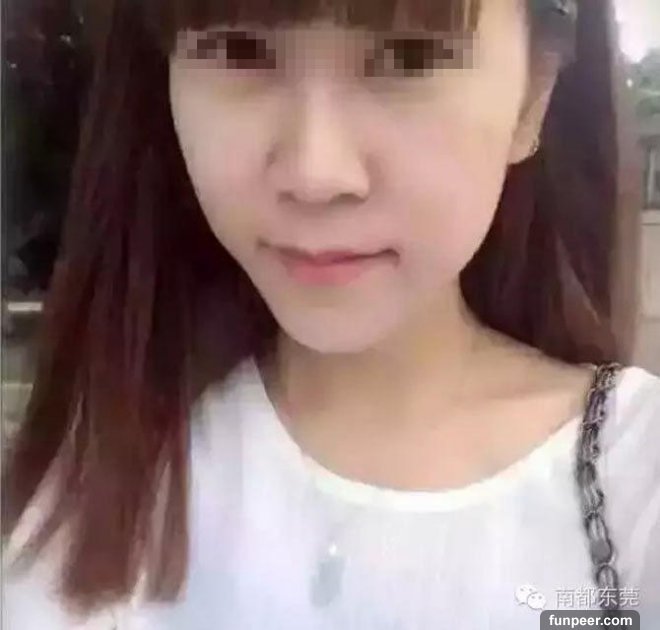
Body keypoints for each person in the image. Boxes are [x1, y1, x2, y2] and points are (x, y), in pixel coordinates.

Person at [3, 0, 659, 627]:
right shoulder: (108, 477)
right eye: (240, 49)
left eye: (409, 56)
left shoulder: (634, 485)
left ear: (534, 95)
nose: (316, 174)